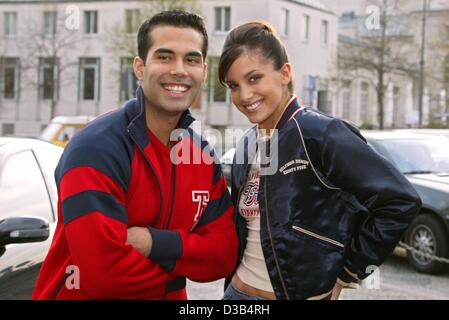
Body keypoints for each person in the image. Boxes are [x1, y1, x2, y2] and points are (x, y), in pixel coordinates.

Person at [33, 10, 238, 300]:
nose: (179, 69)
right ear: (140, 68)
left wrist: (154, 243)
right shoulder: (95, 149)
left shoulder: (201, 155)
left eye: (191, 59)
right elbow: (103, 276)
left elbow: (224, 255)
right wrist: (179, 275)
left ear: (204, 70)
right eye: (164, 57)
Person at [217, 21, 422, 300]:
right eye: (233, 85)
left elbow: (399, 200)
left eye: (254, 79)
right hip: (236, 295)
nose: (244, 95)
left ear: (285, 73)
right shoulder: (246, 145)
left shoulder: (321, 133)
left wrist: (349, 271)